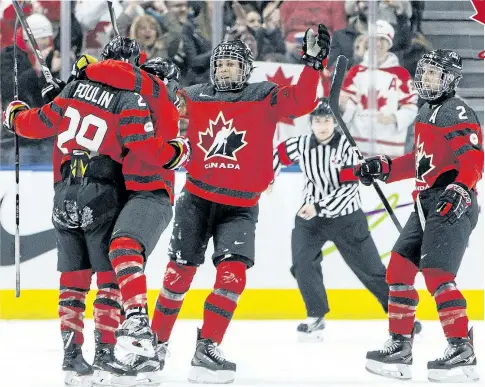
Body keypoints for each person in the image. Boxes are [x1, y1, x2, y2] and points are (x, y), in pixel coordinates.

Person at [84, 24, 328, 384]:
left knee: (233, 278)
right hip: (195, 202)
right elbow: (156, 104)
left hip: (241, 208)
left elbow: (303, 101)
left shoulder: (264, 95)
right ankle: (155, 348)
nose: (225, 70)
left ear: (246, 69)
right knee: (175, 280)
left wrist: (312, 65)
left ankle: (207, 347)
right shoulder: (194, 95)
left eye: (232, 64)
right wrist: (146, 75)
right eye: (220, 64)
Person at [3, 37, 188, 385]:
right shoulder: (131, 97)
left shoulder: (73, 89)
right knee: (108, 282)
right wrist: (174, 154)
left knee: (72, 282)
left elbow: (35, 122)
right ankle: (105, 356)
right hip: (101, 192)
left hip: (63, 196)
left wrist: (13, 115)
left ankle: (72, 359)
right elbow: (143, 147)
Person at [355, 49, 483, 383]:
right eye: (425, 73)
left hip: (451, 199)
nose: (426, 80)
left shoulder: (456, 110)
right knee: (398, 268)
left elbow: (472, 160)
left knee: (437, 273)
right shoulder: (428, 111)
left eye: (434, 75)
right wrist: (383, 167)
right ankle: (400, 345)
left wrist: (459, 191)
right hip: (425, 202)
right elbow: (420, 161)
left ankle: (461, 350)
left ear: (451, 79)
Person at [271, 100, 389, 341]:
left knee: (372, 271)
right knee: (303, 262)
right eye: (317, 121)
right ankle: (316, 315)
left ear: (335, 123)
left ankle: (402, 314)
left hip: (347, 218)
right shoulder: (302, 144)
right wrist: (269, 179)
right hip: (310, 218)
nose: (322, 125)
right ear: (311, 123)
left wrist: (318, 206)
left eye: (327, 121)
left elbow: (348, 188)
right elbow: (277, 154)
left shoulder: (347, 147)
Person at [340, 20, 418, 158]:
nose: (378, 43)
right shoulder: (356, 72)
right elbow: (348, 106)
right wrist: (343, 104)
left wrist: (393, 118)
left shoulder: (401, 74)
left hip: (390, 146)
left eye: (383, 39)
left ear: (389, 43)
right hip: (359, 145)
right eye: (374, 39)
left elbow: (411, 107)